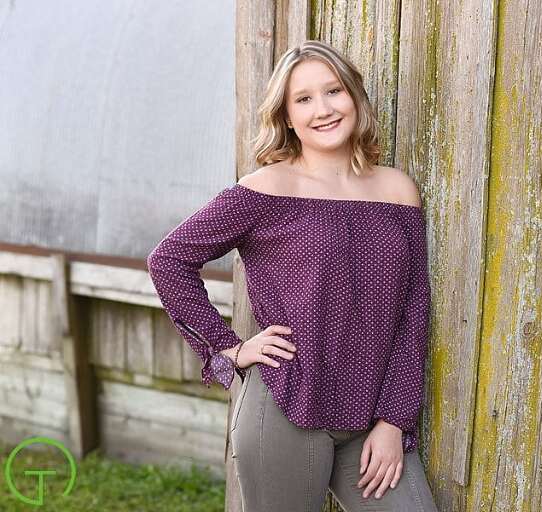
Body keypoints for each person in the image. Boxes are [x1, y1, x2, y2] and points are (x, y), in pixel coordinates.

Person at [146, 39, 438, 511]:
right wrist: (230, 349)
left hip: (371, 420)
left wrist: (394, 421)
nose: (322, 109)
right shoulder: (264, 190)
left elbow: (412, 310)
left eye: (333, 91)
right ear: (285, 115)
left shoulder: (397, 189)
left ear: (355, 98)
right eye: (303, 99)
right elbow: (170, 260)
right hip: (284, 409)